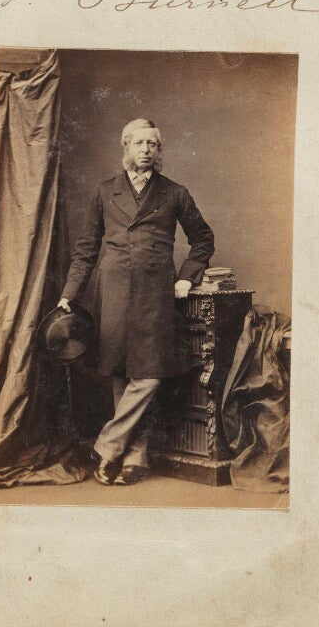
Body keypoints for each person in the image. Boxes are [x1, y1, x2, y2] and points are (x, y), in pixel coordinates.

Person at [58, 118, 215, 485]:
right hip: (113, 289)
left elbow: (203, 239)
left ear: (159, 151)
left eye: (152, 144)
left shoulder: (175, 193)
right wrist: (69, 294)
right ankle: (134, 458)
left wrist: (185, 277)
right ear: (125, 147)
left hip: (155, 292)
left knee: (148, 373)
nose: (146, 150)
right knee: (121, 372)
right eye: (140, 143)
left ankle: (106, 446)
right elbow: (85, 250)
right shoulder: (104, 192)